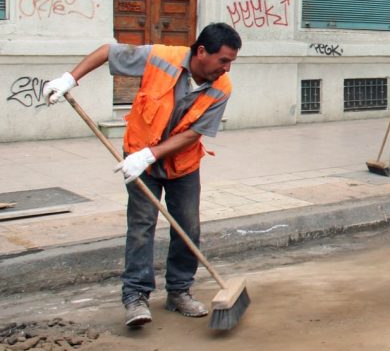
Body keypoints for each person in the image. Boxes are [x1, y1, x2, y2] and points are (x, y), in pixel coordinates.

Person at [42, 23, 242, 328]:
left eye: (231, 62)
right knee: (141, 226)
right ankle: (135, 296)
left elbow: (194, 133)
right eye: (224, 60)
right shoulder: (161, 57)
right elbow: (107, 52)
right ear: (202, 51)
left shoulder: (222, 87)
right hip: (138, 159)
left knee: (187, 227)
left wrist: (151, 155)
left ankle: (179, 292)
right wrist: (70, 78)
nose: (227, 68)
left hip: (182, 165)